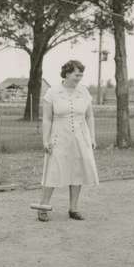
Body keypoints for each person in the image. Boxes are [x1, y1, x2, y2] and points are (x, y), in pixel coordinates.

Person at [38, 60, 99, 222]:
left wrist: (92, 137)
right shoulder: (52, 92)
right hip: (59, 136)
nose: (79, 77)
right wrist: (45, 140)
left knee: (77, 170)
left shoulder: (84, 92)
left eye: (81, 74)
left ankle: (74, 208)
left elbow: (89, 116)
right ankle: (43, 207)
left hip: (80, 136)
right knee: (53, 170)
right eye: (76, 74)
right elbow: (47, 119)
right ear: (66, 73)